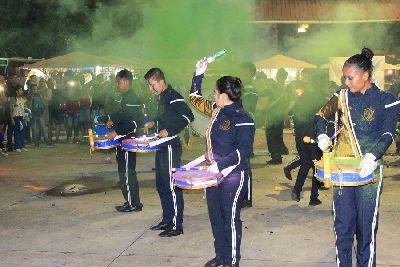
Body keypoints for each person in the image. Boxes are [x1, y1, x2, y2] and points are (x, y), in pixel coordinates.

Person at [315, 47, 399, 266]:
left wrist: (373, 156)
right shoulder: (341, 96)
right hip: (343, 170)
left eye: (350, 78)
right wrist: (322, 134)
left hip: (368, 170)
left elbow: (389, 133)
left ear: (365, 75)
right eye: (345, 78)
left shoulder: (386, 99)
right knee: (343, 225)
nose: (347, 82)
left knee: (365, 227)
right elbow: (320, 115)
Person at [190, 59, 255, 267]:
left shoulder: (244, 118)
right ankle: (221, 256)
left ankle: (232, 261)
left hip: (233, 175)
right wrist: (198, 73)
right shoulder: (217, 111)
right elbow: (195, 98)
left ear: (224, 96)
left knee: (230, 218)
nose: (214, 96)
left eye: (216, 93)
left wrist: (220, 164)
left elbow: (243, 151)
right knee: (216, 217)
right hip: (213, 173)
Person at [144, 68, 194, 237]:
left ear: (160, 81)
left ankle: (176, 225)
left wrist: (170, 129)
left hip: (171, 145)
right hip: (162, 145)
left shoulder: (174, 96)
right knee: (162, 184)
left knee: (172, 186)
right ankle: (167, 219)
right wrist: (154, 122)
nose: (151, 89)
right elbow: (166, 116)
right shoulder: (163, 97)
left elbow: (188, 116)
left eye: (152, 85)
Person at [106, 69, 144, 213]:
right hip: (122, 140)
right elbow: (123, 116)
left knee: (127, 173)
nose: (117, 84)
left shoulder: (131, 98)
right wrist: (112, 120)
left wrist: (116, 131)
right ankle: (132, 201)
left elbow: (134, 122)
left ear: (127, 81)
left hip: (128, 141)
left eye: (119, 81)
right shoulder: (125, 97)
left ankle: (133, 204)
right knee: (124, 172)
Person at [264, 68, 288, 165]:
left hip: (273, 115)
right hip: (279, 115)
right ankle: (279, 154)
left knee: (271, 137)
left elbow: (274, 98)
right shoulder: (284, 87)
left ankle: (276, 157)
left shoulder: (278, 87)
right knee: (276, 136)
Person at [11, 87, 28, 152]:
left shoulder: (23, 99)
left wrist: (26, 116)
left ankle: (22, 146)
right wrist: (11, 118)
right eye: (20, 90)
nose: (22, 91)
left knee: (22, 131)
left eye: (22, 90)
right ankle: (17, 147)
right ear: (16, 91)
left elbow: (26, 108)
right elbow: (11, 109)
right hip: (16, 116)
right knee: (17, 132)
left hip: (22, 116)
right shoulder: (13, 99)